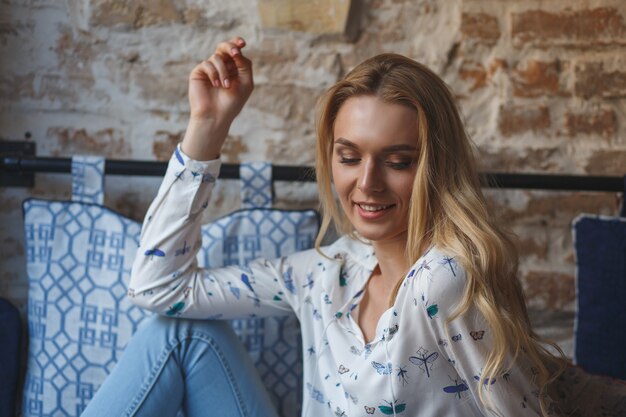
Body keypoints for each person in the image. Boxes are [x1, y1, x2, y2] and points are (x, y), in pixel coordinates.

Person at [81, 37, 566, 417]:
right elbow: (158, 287)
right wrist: (207, 126)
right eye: (349, 157)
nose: (367, 183)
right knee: (174, 332)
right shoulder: (328, 272)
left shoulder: (445, 281)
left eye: (398, 161)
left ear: (436, 168)